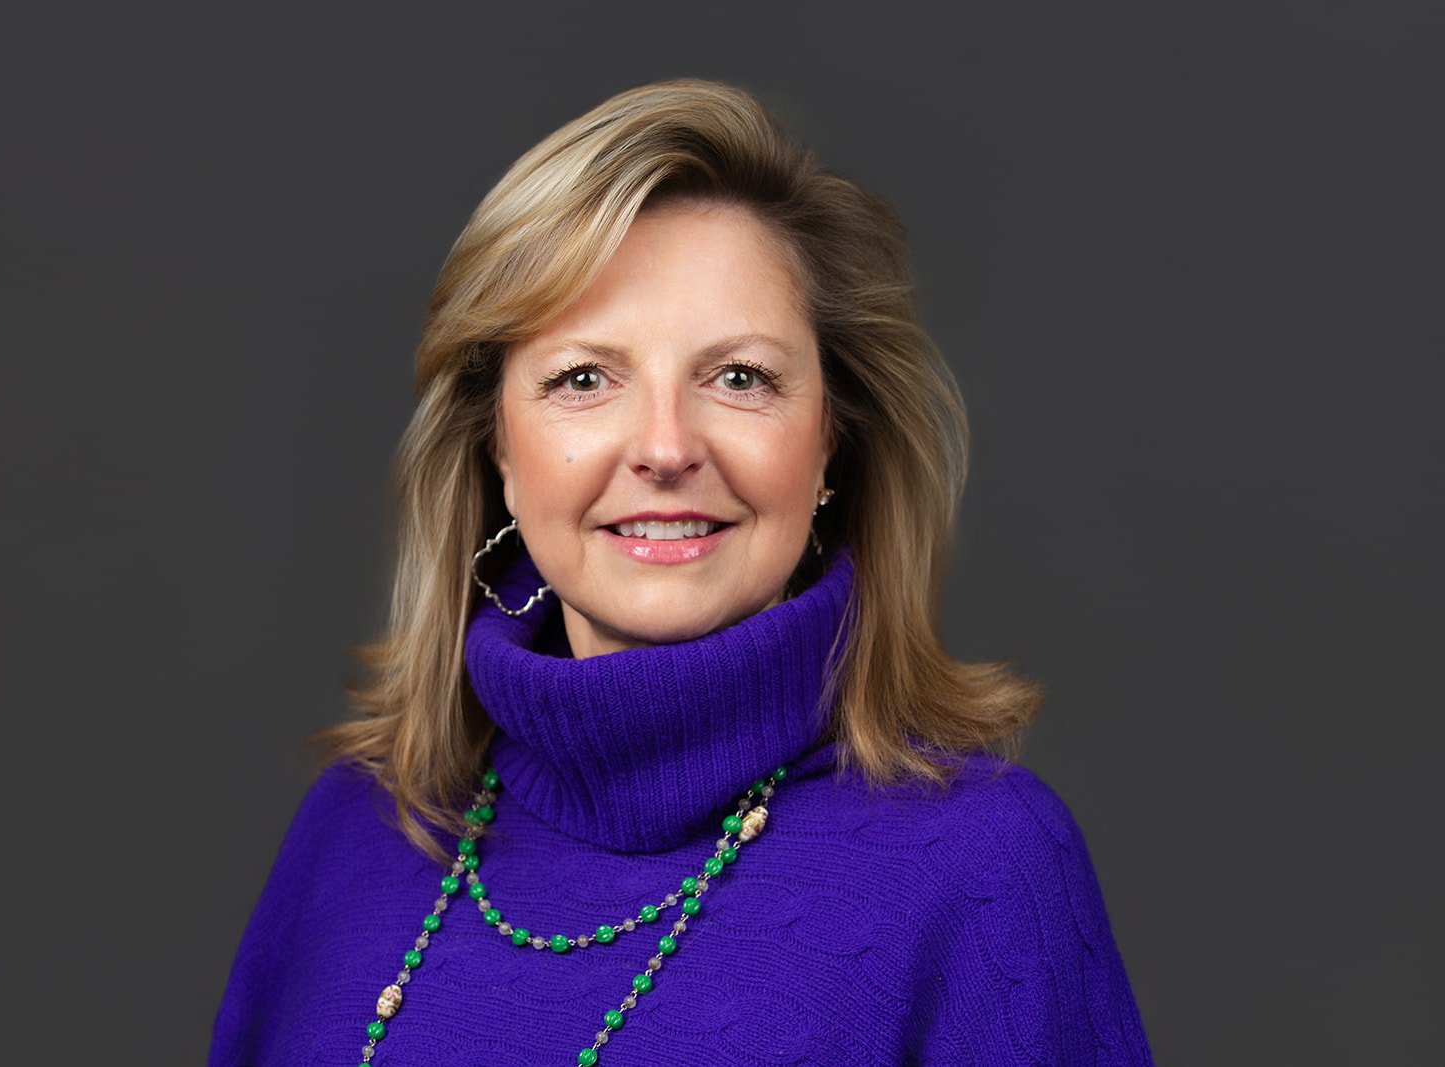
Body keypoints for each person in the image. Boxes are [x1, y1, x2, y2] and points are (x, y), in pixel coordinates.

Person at [209, 78, 1154, 1065]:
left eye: (737, 376)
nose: (664, 447)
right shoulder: (359, 828)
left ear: (831, 435)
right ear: (496, 445)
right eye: (583, 378)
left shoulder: (981, 865)